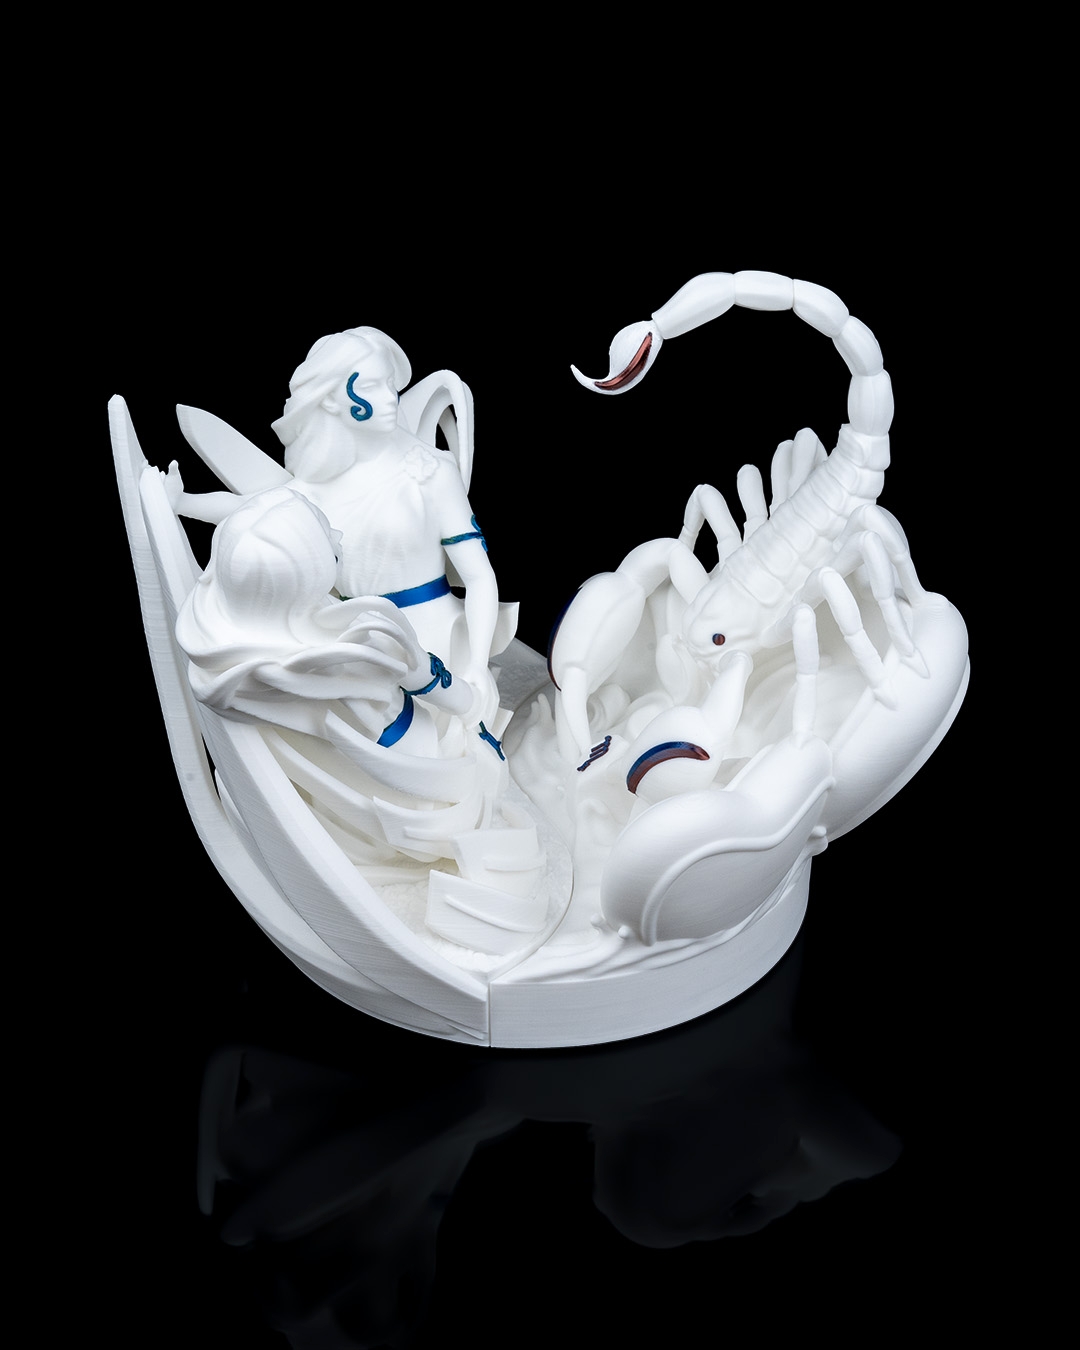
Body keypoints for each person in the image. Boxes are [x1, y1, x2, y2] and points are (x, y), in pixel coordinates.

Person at [169, 326, 512, 726]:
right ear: (330, 398)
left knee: (444, 733)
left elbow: (479, 577)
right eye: (370, 387)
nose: (390, 398)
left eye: (389, 384)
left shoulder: (431, 471)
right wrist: (179, 502)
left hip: (440, 645)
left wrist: (476, 664)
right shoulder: (313, 488)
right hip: (358, 654)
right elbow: (247, 512)